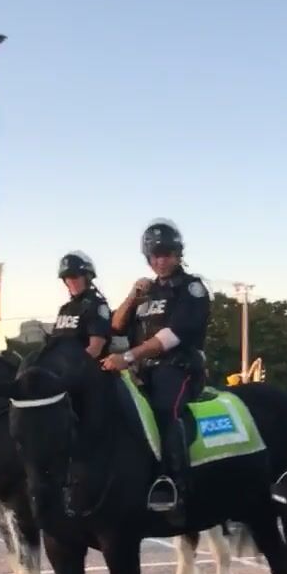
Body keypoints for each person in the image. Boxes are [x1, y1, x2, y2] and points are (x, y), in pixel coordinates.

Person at [103, 219, 210, 516]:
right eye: (154, 255)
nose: (160, 261)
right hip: (142, 371)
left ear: (177, 254)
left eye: (165, 254)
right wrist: (132, 296)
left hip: (178, 368)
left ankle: (173, 481)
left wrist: (127, 357)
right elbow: (115, 326)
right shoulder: (146, 293)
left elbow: (172, 336)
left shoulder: (191, 288)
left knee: (164, 409)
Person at [51, 251, 111, 358]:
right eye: (67, 277)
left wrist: (68, 365)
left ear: (87, 277)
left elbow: (95, 349)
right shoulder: (64, 309)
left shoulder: (97, 306)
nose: (71, 281)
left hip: (87, 367)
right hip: (60, 366)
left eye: (75, 276)